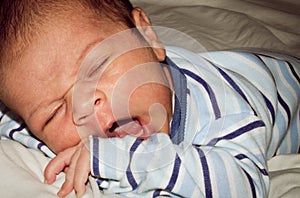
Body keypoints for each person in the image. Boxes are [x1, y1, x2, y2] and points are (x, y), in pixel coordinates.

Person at [0, 0, 299, 197]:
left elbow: (243, 185)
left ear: (149, 36)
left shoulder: (224, 110)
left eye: (98, 66)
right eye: (53, 114)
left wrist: (129, 160)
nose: (84, 107)